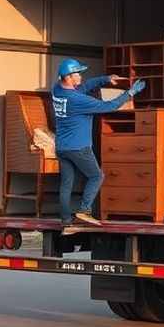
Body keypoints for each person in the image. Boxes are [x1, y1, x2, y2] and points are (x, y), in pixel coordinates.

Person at [51, 58, 146, 225]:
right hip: (79, 148)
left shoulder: (57, 90)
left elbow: (85, 87)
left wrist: (105, 79)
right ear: (68, 77)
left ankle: (65, 220)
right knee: (96, 176)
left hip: (62, 147)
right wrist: (129, 93)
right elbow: (109, 106)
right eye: (78, 74)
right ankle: (84, 210)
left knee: (66, 184)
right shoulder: (78, 101)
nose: (81, 77)